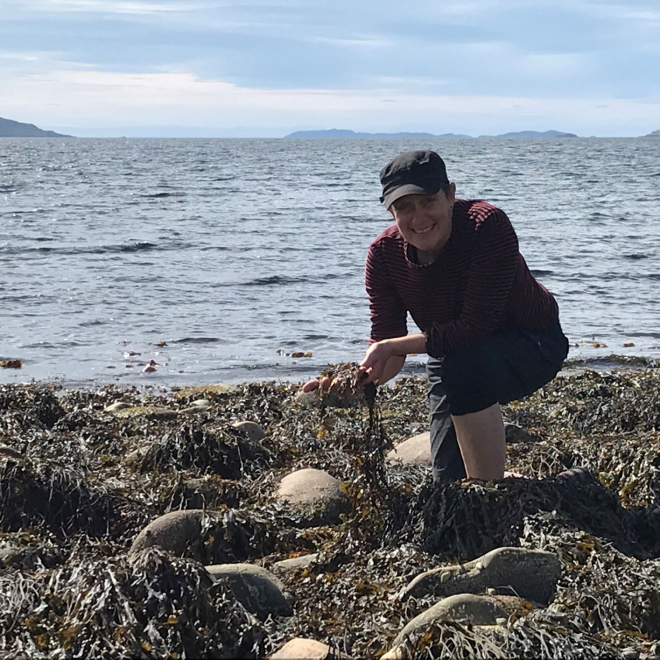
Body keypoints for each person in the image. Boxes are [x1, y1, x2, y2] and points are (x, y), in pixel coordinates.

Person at [303, 149, 569, 482]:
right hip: (455, 355)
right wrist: (358, 379)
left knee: (463, 366)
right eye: (403, 207)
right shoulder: (383, 255)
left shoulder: (486, 225)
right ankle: (500, 484)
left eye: (428, 201)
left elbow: (475, 327)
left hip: (535, 343)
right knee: (446, 480)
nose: (418, 218)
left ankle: (489, 494)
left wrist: (389, 347)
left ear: (450, 195)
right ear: (390, 211)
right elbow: (388, 342)